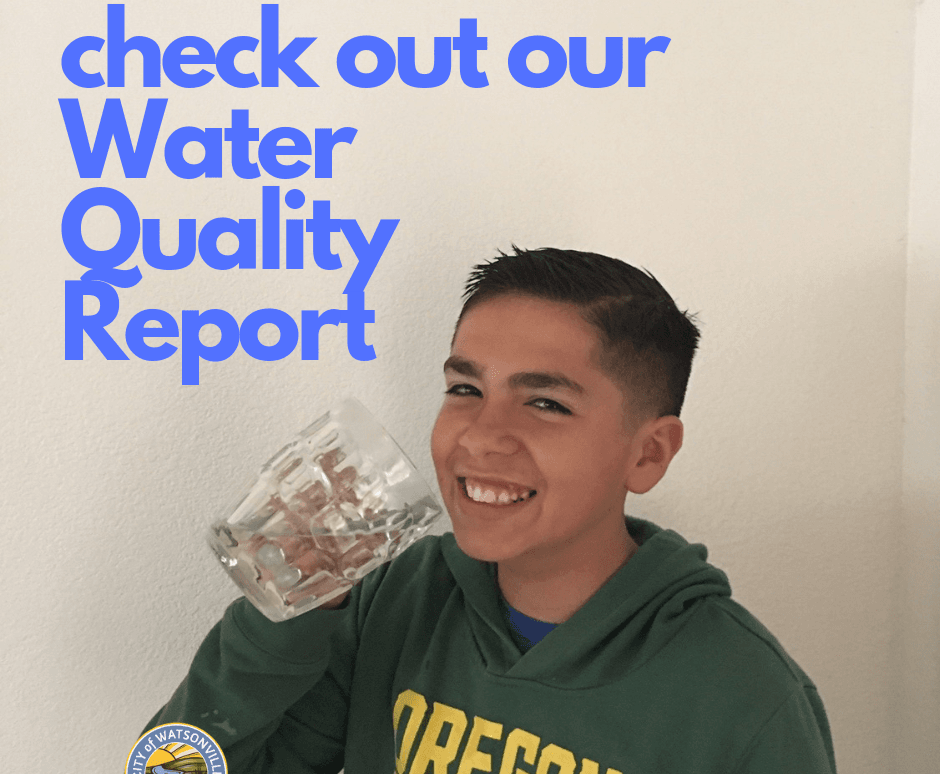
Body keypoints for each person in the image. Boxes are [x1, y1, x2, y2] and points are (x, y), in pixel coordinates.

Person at [143, 247, 837, 773]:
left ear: (648, 454)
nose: (479, 435)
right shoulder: (394, 598)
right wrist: (280, 621)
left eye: (545, 403)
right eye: (465, 388)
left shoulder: (746, 699)